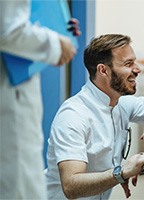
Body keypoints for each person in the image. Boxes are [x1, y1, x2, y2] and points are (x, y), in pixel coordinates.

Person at [44, 34, 144, 199]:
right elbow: (71, 186)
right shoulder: (73, 115)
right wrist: (122, 172)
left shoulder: (122, 104)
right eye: (128, 64)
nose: (138, 69)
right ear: (103, 70)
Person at [0, 0, 79, 199]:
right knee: (19, 185)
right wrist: (56, 43)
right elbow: (7, 30)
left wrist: (58, 27)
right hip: (10, 88)